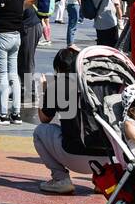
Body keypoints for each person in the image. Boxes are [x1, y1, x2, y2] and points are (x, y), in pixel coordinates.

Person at [34, 47, 106, 194]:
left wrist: (43, 91)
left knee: (40, 132)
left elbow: (44, 119)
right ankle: (103, 181)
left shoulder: (59, 85)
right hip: (106, 157)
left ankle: (61, 179)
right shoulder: (98, 82)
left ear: (58, 68)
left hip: (73, 154)